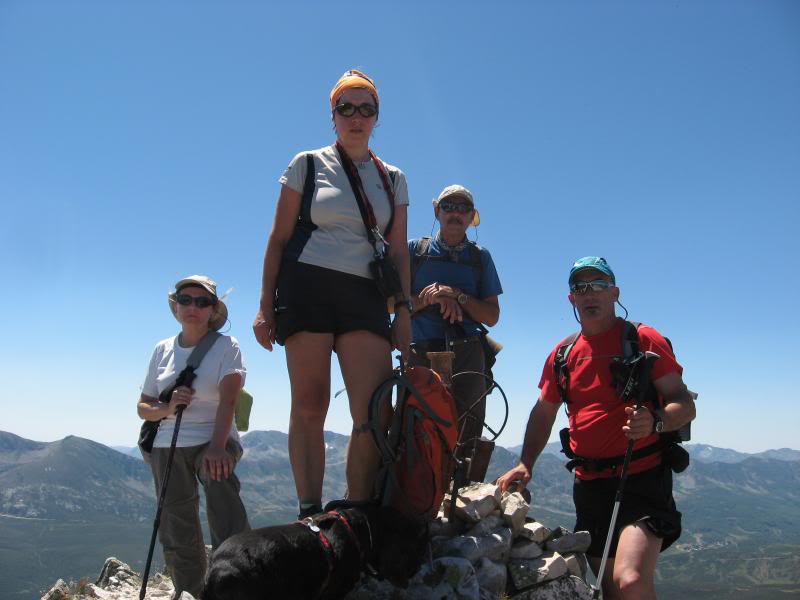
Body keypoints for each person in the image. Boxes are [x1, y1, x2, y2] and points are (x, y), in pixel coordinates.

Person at [252, 69, 411, 518]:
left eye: (366, 108)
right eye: (347, 108)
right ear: (333, 114)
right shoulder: (306, 164)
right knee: (310, 403)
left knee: (374, 410)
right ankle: (310, 513)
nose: (356, 117)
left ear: (377, 116)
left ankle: (356, 514)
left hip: (364, 294)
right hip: (307, 287)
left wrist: (404, 311)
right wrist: (266, 306)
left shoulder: (393, 177)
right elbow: (278, 240)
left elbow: (399, 251)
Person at [496, 257, 696, 600]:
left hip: (643, 480)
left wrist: (656, 423)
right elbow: (544, 412)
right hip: (590, 486)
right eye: (580, 287)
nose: (589, 293)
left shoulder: (642, 338)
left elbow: (684, 403)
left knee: (630, 580)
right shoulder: (563, 354)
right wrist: (526, 462)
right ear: (571, 299)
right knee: (610, 588)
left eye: (598, 285)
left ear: (614, 293)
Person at [137, 275, 250, 599]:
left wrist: (217, 447)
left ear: (213, 309)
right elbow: (143, 407)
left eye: (202, 302)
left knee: (220, 492)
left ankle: (238, 581)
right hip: (166, 442)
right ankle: (191, 590)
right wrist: (168, 406)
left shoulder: (227, 347)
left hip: (213, 438)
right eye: (186, 299)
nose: (193, 307)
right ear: (176, 305)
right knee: (176, 520)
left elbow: (229, 400)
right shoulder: (162, 350)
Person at [407, 184, 502, 477]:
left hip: (468, 351)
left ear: (471, 216)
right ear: (437, 212)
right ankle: (421, 497)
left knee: (469, 430)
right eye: (449, 207)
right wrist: (427, 299)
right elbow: (390, 305)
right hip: (422, 350)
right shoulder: (415, 251)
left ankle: (462, 503)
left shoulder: (479, 257)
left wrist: (456, 295)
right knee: (417, 427)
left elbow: (492, 316)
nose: (455, 213)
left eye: (463, 208)